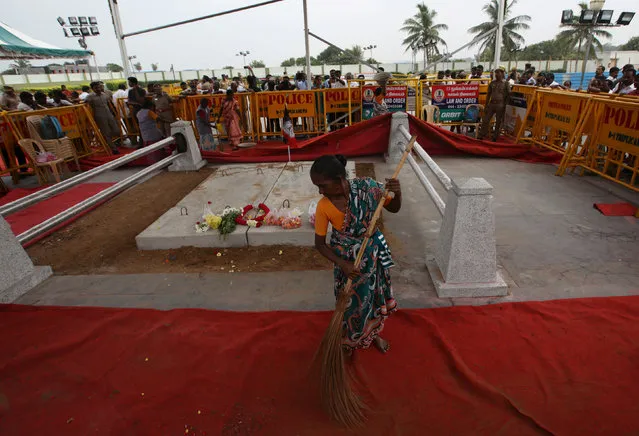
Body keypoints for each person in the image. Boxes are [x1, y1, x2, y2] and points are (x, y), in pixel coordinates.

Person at [310, 154, 401, 354]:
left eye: (323, 185)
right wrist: (343, 264)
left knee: (373, 298)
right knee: (350, 303)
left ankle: (372, 333)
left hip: (371, 258)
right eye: (317, 186)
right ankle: (350, 339)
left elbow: (394, 208)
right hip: (346, 264)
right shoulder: (323, 206)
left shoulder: (368, 188)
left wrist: (397, 193)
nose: (320, 191)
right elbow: (320, 244)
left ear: (339, 180)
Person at [85, 81, 120, 153]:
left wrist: (114, 112)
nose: (98, 89)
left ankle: (111, 141)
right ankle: (113, 148)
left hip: (109, 114)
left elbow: (109, 103)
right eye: (95, 88)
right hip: (99, 116)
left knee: (116, 130)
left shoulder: (104, 95)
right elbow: (85, 104)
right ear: (92, 89)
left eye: (98, 87)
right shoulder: (90, 97)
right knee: (106, 132)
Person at [478, 67, 510, 142]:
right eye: (496, 72)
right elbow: (488, 95)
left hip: (500, 104)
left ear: (502, 73)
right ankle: (481, 135)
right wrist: (486, 105)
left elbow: (508, 95)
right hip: (491, 104)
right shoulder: (492, 83)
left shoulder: (506, 83)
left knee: (498, 121)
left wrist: (505, 105)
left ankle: (495, 137)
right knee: (485, 120)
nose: (496, 74)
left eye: (498, 72)